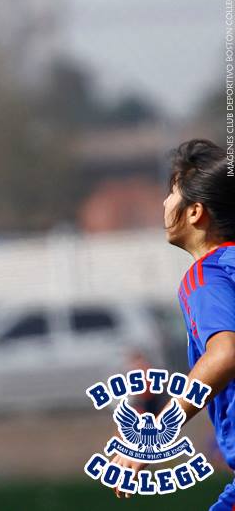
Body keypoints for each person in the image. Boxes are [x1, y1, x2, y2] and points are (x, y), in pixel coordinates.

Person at [111, 139, 235, 509]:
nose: (164, 204)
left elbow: (226, 353)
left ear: (195, 212)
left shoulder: (207, 275)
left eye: (171, 193)